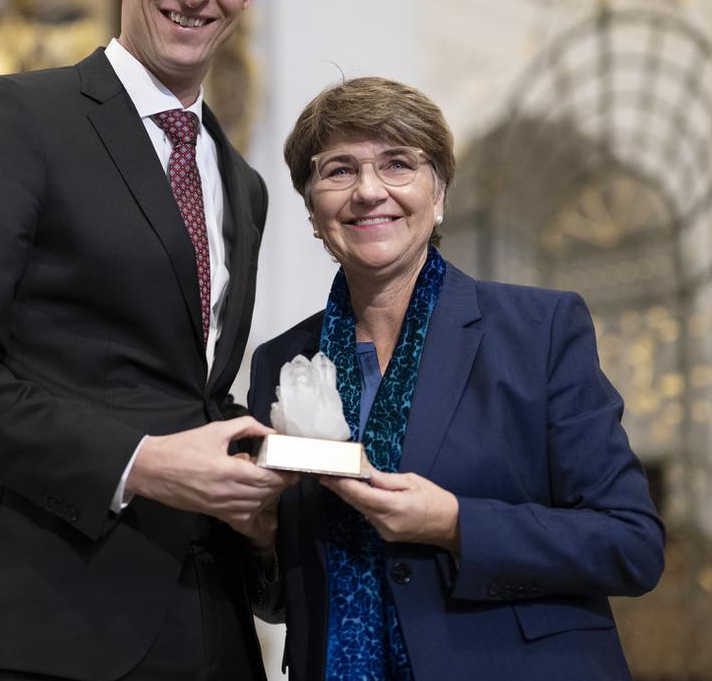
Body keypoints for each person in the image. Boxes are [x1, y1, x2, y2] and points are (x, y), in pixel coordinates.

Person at [0, 0, 293, 681]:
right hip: (48, 624)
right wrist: (141, 461)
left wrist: (270, 481)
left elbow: (188, 391)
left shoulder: (241, 184)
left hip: (211, 631)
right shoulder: (16, 119)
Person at [248, 77, 665, 680]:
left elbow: (632, 544)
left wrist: (454, 524)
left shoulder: (539, 329)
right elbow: (285, 595)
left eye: (398, 164)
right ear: (313, 210)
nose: (369, 191)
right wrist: (260, 537)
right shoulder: (282, 362)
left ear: (438, 194)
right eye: (338, 170)